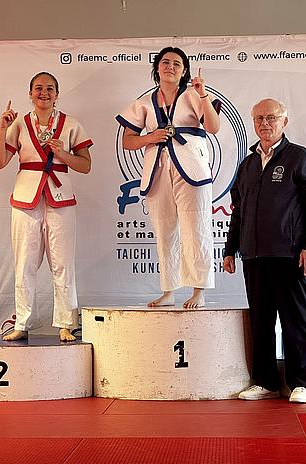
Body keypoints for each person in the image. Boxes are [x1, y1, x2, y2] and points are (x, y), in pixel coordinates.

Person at [223, 98, 306, 404]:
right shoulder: (247, 165)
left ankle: (302, 383)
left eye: (271, 118)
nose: (264, 123)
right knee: (261, 321)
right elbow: (239, 211)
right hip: (254, 255)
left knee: (296, 319)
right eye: (259, 118)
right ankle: (265, 381)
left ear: (284, 122)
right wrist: (230, 248)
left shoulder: (300, 158)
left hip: (290, 254)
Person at [116, 46, 221, 308]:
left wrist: (203, 94)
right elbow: (128, 141)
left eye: (176, 63)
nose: (170, 67)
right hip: (158, 168)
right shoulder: (144, 103)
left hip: (191, 168)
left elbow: (213, 127)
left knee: (196, 228)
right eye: (165, 62)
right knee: (164, 230)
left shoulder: (194, 95)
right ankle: (168, 290)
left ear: (184, 71)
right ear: (157, 68)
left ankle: (199, 290)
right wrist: (150, 137)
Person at [0, 72, 92, 342]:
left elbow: (85, 165)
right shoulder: (18, 124)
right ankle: (22, 322)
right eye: (38, 88)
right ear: (30, 93)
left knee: (63, 263)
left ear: (57, 94)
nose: (43, 93)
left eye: (49, 88)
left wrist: (62, 154)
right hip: (26, 196)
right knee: (24, 262)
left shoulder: (70, 124)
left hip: (60, 197)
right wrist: (1, 128)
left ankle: (66, 323)